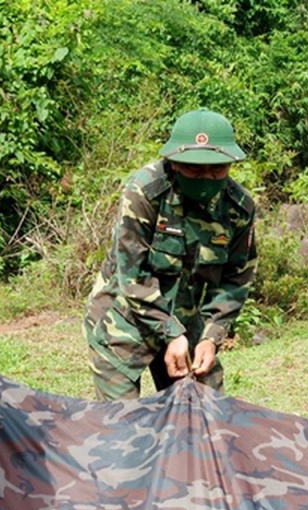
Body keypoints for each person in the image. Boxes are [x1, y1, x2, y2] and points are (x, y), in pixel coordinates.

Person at [84, 108, 258, 400]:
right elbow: (133, 275)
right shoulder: (146, 193)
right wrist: (170, 334)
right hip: (123, 322)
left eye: (217, 168)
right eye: (194, 168)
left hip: (186, 324)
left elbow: (236, 280)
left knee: (206, 416)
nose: (207, 177)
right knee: (123, 430)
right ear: (174, 162)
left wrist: (210, 339)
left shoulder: (238, 208)